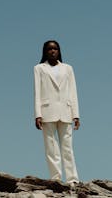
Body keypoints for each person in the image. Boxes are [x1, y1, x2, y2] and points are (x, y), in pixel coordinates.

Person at [33, 40, 80, 184]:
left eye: (55, 48)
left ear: (59, 51)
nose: (52, 51)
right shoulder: (39, 68)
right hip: (47, 111)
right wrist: (37, 114)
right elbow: (37, 92)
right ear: (45, 52)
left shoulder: (68, 68)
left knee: (67, 148)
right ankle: (56, 178)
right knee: (51, 148)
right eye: (49, 49)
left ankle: (72, 179)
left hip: (65, 111)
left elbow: (73, 92)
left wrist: (76, 114)